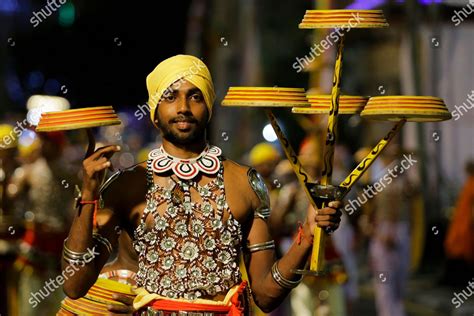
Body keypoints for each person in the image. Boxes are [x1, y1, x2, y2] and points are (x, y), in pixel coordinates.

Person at [61, 54, 343, 315]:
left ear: (208, 106)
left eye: (194, 96)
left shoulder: (244, 182)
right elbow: (74, 284)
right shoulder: (127, 185)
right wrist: (88, 195)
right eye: (170, 97)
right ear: (155, 112)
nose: (183, 108)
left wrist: (308, 235)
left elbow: (266, 295)